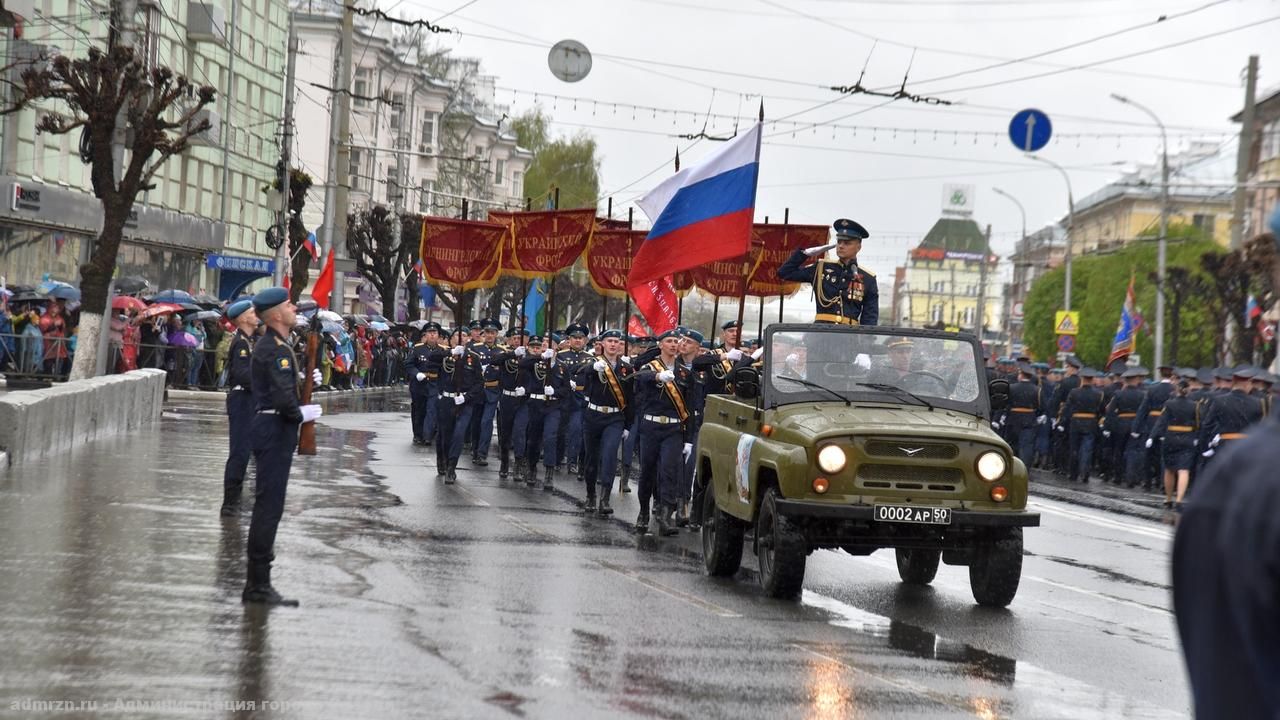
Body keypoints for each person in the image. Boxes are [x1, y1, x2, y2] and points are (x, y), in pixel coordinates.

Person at [243, 287, 322, 606]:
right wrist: (299, 412)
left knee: (270, 507)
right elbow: (280, 395)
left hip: (275, 428)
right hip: (275, 427)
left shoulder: (279, 345)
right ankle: (258, 585)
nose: (293, 308)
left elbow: (283, 385)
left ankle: (259, 582)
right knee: (268, 508)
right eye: (288, 305)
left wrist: (307, 381)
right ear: (275, 314)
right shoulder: (273, 348)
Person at [633, 330, 694, 536]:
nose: (673, 344)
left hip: (674, 429)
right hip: (651, 427)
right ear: (660, 345)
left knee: (669, 471)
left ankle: (666, 517)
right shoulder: (649, 367)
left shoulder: (684, 373)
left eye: (676, 341)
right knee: (647, 472)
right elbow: (638, 376)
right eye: (669, 341)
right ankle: (643, 511)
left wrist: (689, 439)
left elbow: (690, 407)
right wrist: (657, 376)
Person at [776, 218, 878, 326]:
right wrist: (805, 253)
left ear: (858, 247)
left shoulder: (868, 279)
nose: (841, 246)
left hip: (849, 337)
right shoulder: (821, 268)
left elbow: (870, 318)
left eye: (847, 243)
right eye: (839, 242)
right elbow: (785, 272)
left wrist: (866, 341)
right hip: (821, 334)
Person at [576, 329, 634, 515]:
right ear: (602, 344)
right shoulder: (593, 363)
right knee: (591, 459)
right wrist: (593, 369)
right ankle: (591, 495)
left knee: (609, 457)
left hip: (615, 418)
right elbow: (580, 372)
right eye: (610, 341)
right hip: (593, 416)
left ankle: (605, 499)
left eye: (617, 341)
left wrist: (627, 425)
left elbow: (631, 399)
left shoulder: (626, 368)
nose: (613, 344)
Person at [220, 299, 257, 517]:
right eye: (252, 312)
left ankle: (235, 499)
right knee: (240, 452)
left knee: (245, 451)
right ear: (242, 318)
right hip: (242, 399)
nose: (255, 315)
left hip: (247, 398)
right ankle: (229, 503)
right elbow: (243, 374)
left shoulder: (247, 340)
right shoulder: (241, 343)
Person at [435, 328, 484, 484]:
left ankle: (451, 467)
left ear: (469, 338)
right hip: (447, 400)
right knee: (445, 434)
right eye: (457, 335)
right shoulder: (443, 355)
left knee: (459, 434)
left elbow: (479, 383)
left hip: (465, 403)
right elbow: (431, 362)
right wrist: (450, 354)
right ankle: (442, 458)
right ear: (451, 339)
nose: (461, 338)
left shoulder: (473, 358)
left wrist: (466, 397)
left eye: (464, 335)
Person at [1103, 367, 1148, 488]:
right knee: (1133, 452)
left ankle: (1118, 476)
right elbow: (1144, 412)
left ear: (1126, 380)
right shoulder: (1142, 394)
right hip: (1135, 424)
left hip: (1121, 424)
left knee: (1119, 450)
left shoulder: (1118, 394)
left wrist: (1107, 427)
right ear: (1136, 379)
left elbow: (1111, 411)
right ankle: (1130, 477)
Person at [1058, 367, 1104, 484]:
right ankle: (1084, 473)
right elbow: (1101, 410)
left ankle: (1073, 473)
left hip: (1076, 422)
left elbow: (1067, 409)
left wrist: (1062, 422)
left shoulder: (1074, 392)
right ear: (1092, 379)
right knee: (1087, 449)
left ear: (1082, 379)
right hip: (1091, 423)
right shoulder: (1098, 394)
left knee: (1074, 449)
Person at [404, 323, 442, 446]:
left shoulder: (442, 350)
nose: (432, 335)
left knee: (431, 410)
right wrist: (416, 373)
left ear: (438, 335)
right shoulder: (418, 348)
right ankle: (418, 434)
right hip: (419, 384)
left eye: (434, 333)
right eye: (429, 332)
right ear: (425, 335)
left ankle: (427, 436)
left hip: (434, 384)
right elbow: (408, 364)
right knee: (418, 410)